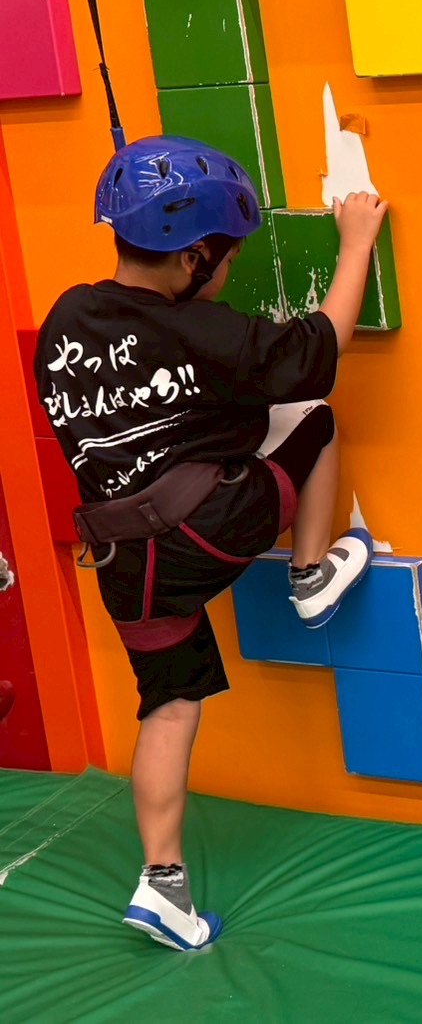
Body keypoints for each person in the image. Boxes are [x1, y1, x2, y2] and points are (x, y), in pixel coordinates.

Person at [32, 135, 388, 951]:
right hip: (201, 530)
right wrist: (357, 241)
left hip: (123, 563)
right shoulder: (203, 331)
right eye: (227, 257)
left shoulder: (64, 320)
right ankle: (310, 574)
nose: (228, 270)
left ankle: (161, 884)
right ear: (193, 257)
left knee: (168, 704)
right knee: (313, 420)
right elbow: (319, 352)